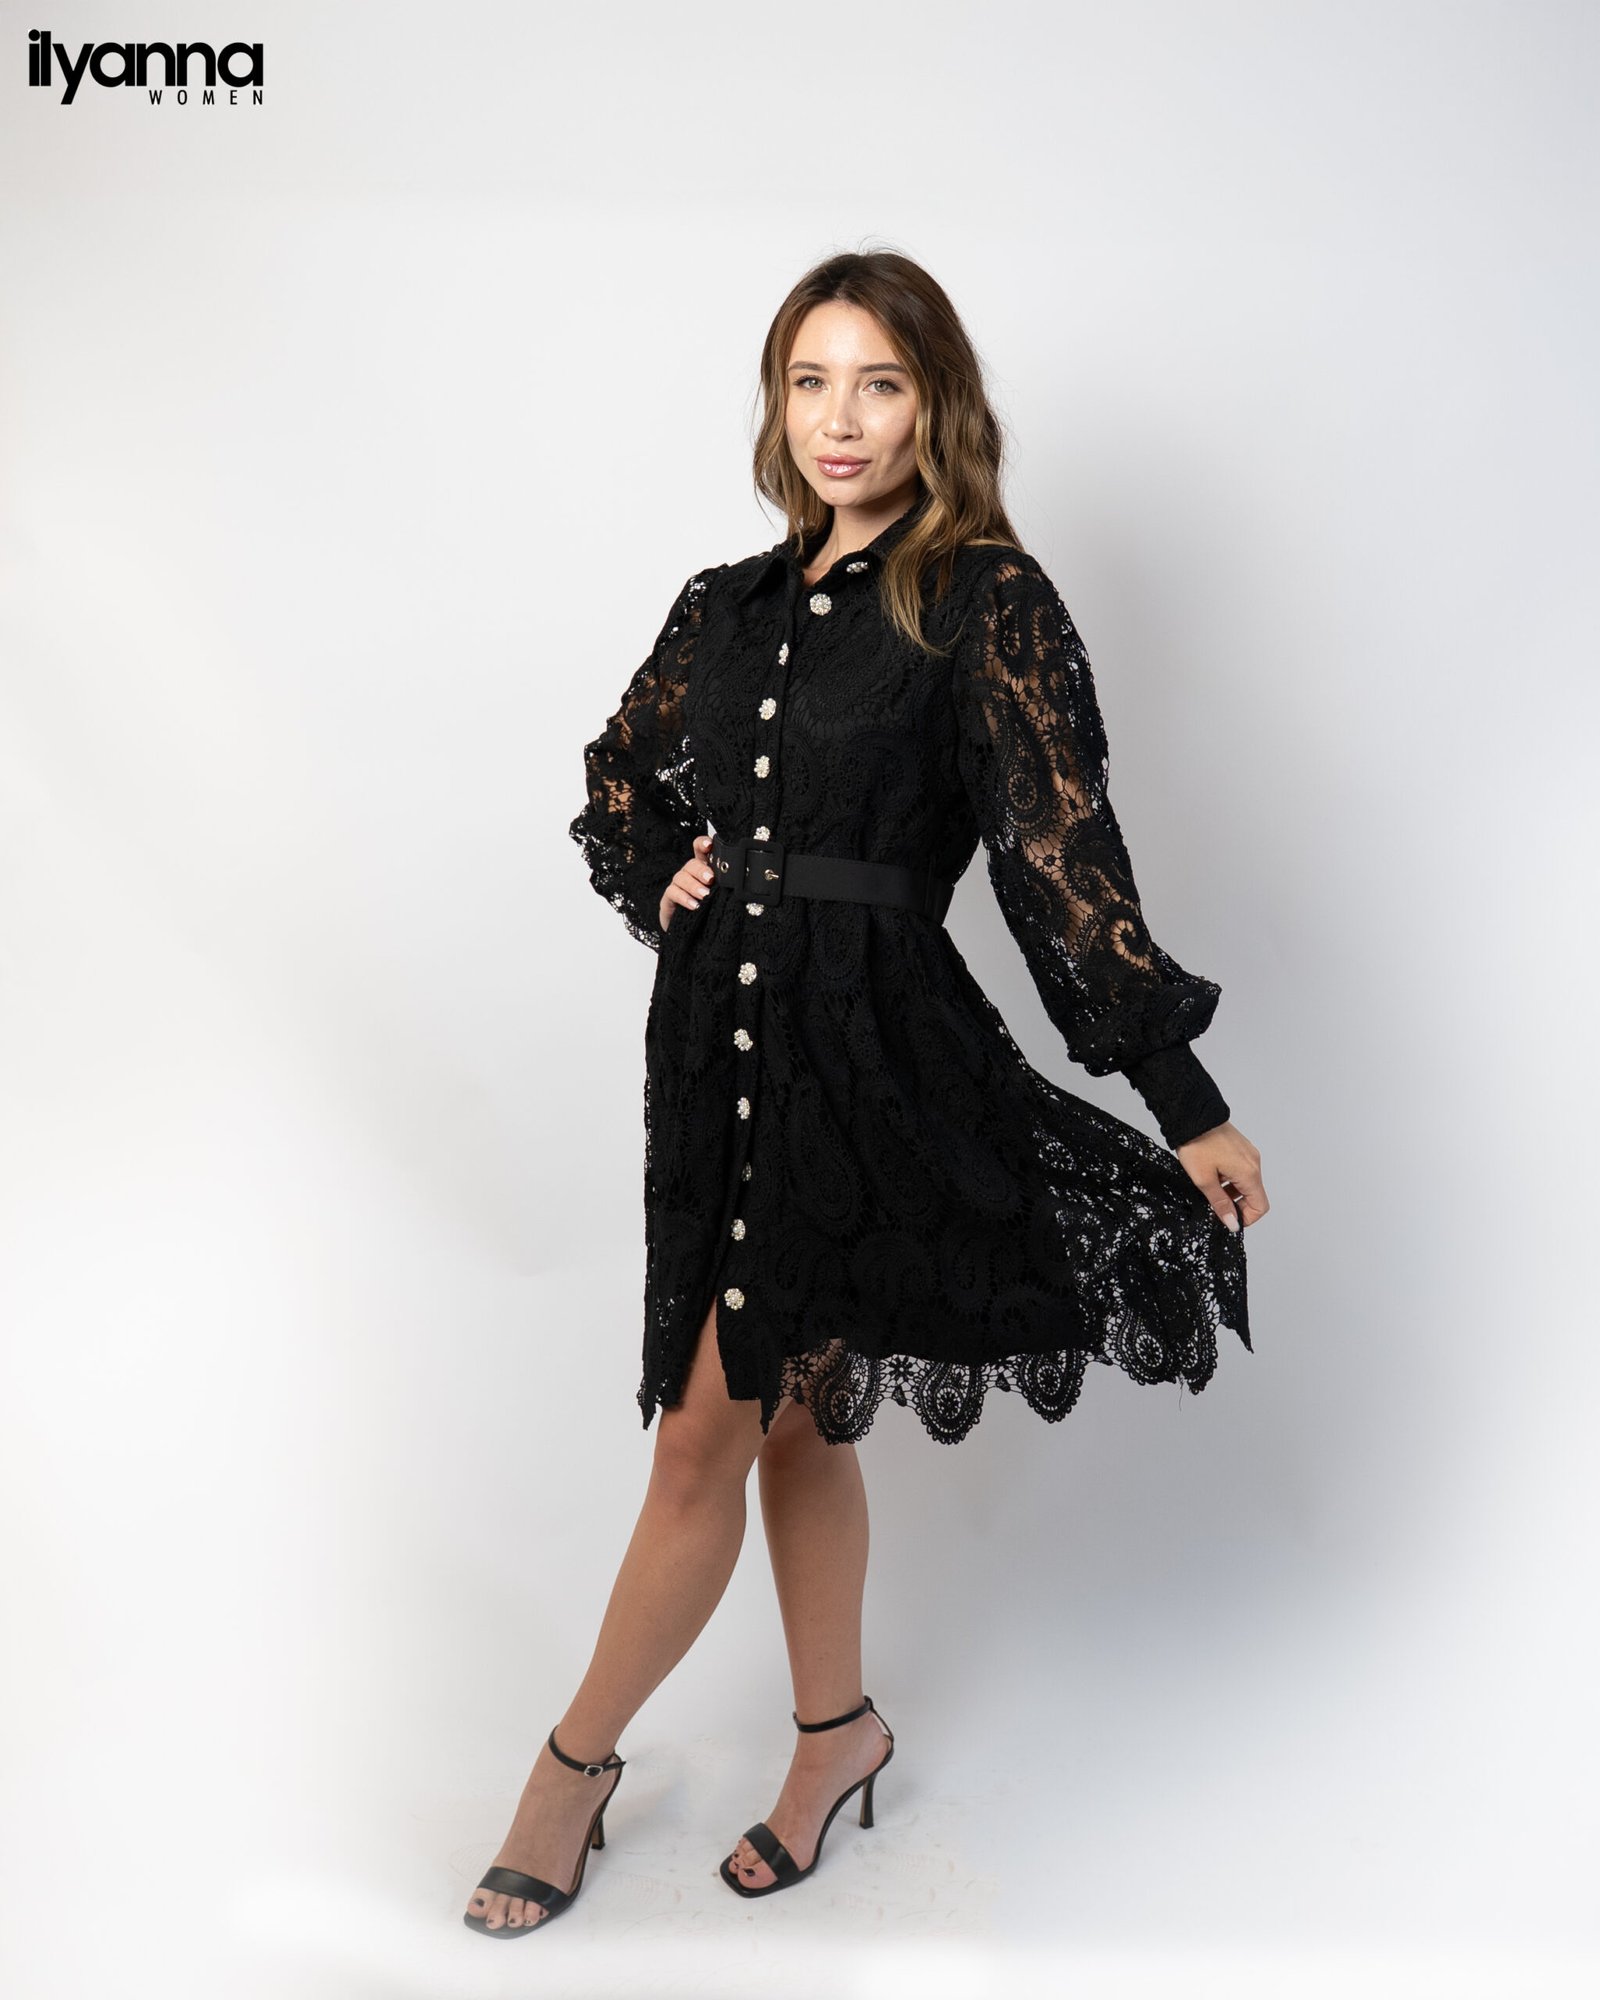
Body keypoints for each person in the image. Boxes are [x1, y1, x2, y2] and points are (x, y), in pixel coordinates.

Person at [463, 249, 1269, 1937]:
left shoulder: (985, 600)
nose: (842, 419)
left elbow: (1060, 862)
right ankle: (837, 1736)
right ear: (778, 403)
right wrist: (663, 864)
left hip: (873, 1055)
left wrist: (1182, 1097)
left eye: (880, 384)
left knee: (707, 1434)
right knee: (798, 1418)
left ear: (934, 408)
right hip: (719, 1053)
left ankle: (570, 1770)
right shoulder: (724, 606)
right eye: (812, 380)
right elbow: (620, 775)